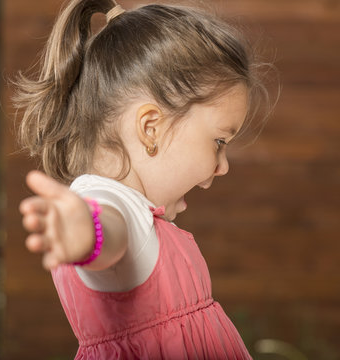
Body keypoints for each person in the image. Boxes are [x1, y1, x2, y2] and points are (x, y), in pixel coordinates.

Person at [15, 0, 273, 358]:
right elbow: (108, 229)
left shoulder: (141, 214)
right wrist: (86, 230)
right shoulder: (113, 203)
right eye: (218, 142)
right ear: (151, 127)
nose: (222, 166)